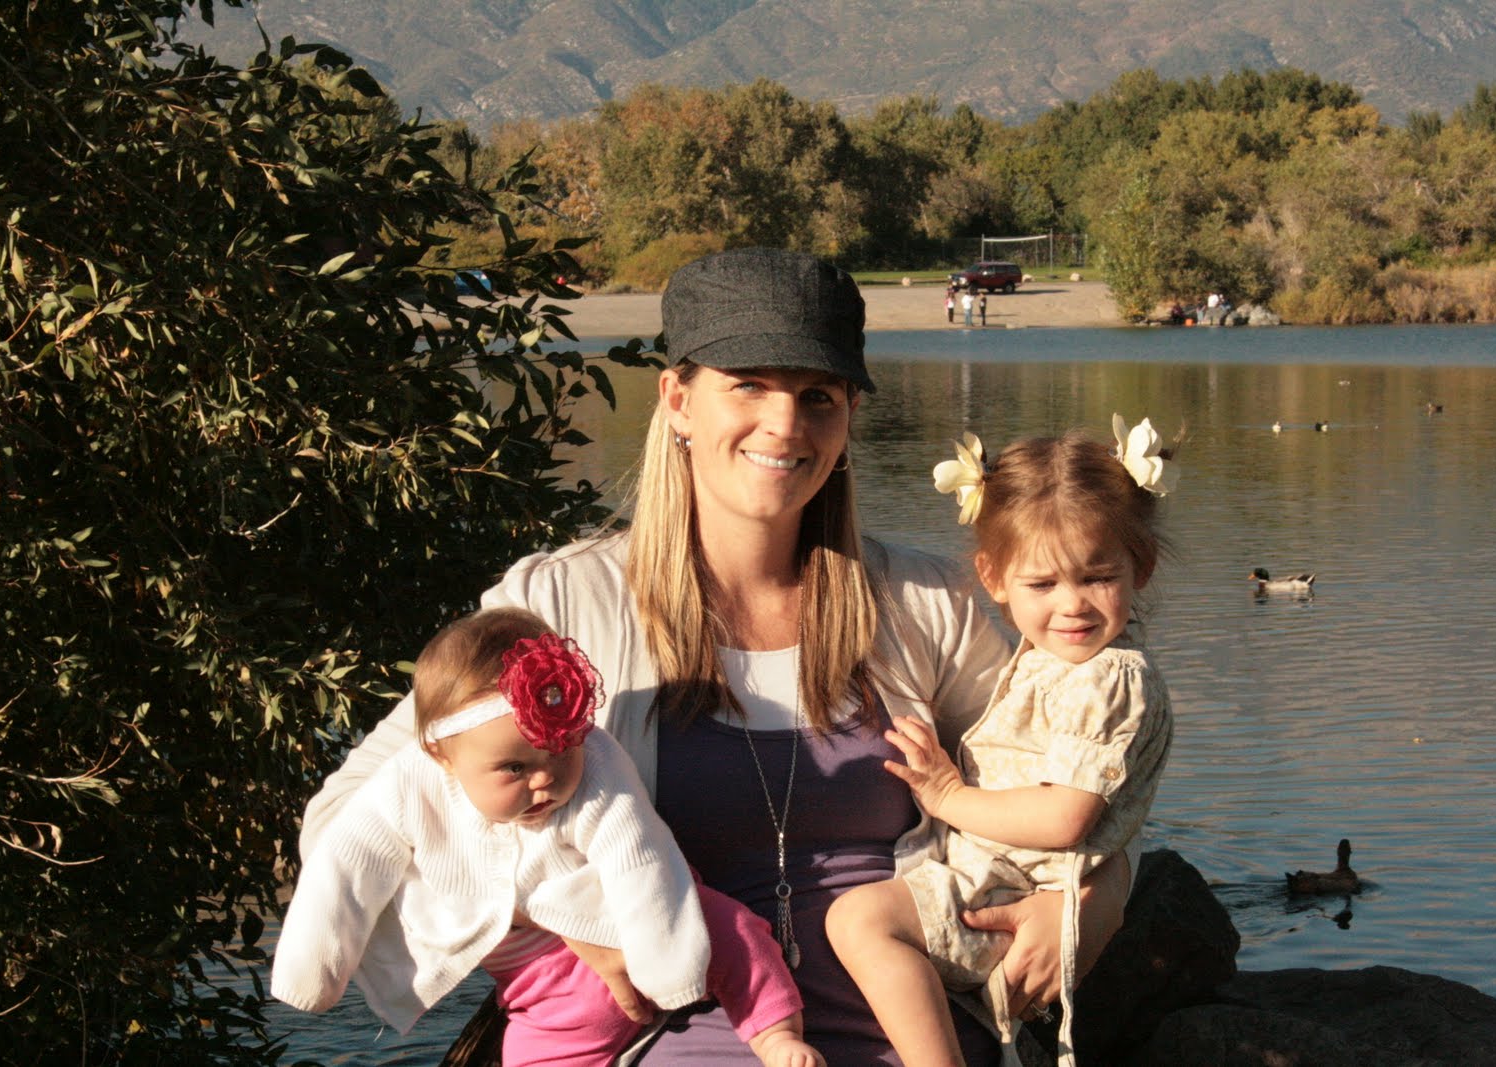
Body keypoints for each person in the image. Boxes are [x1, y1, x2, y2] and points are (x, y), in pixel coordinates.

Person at [300, 248, 1125, 1064]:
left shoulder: (926, 602)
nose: (786, 424)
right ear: (678, 400)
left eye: (817, 395)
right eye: (749, 385)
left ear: (847, 417)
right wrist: (560, 914)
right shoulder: (560, 607)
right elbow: (348, 823)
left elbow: (1086, 781)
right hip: (684, 1040)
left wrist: (1090, 902)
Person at [273, 608, 823, 1067]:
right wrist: (313, 968)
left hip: (646, 922)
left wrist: (669, 970)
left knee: (733, 930)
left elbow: (639, 853)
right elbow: (347, 863)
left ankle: (774, 1033)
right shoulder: (408, 784)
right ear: (442, 755)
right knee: (536, 1052)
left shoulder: (599, 761)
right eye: (514, 768)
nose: (545, 780)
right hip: (543, 986)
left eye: (561, 753)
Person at [827, 417, 1178, 1066]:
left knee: (858, 921)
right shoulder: (1064, 662)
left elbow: (1066, 816)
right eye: (1042, 584)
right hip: (1005, 881)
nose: (1072, 605)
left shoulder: (1106, 678)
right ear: (993, 578)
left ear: (1142, 567)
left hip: (1012, 894)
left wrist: (947, 795)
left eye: (1097, 577)